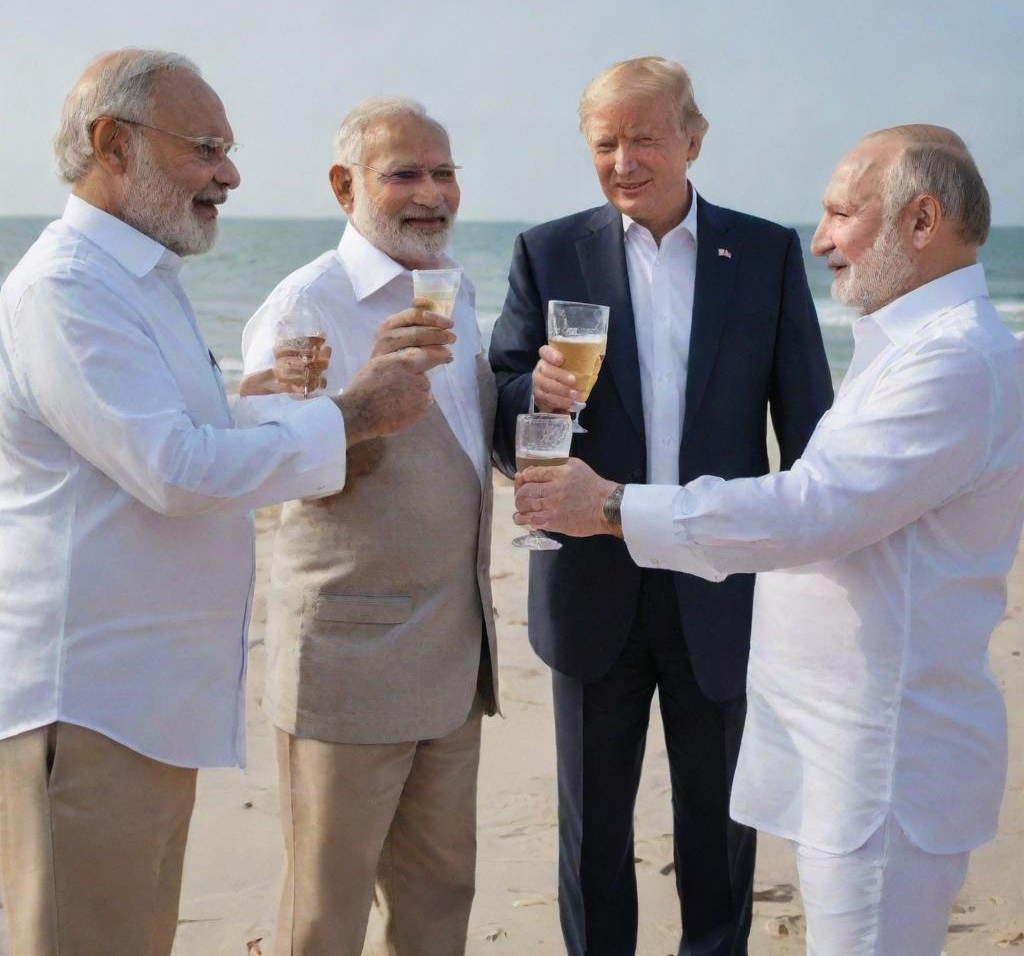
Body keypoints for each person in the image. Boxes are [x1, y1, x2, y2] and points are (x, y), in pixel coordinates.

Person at [514, 125, 1023, 955]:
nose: (820, 240)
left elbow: (810, 508)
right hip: (852, 762)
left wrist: (610, 506)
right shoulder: (909, 348)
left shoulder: (954, 362)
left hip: (884, 769)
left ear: (922, 222)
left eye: (840, 214)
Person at [0, 51, 442, 956]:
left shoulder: (137, 281)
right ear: (111, 144)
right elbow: (173, 471)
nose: (230, 175)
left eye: (227, 151)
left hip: (146, 707)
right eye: (206, 148)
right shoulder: (66, 289)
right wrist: (354, 415)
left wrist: (263, 404)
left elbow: (159, 438)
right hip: (87, 707)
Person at [488, 56, 833, 956]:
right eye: (605, 142)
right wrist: (537, 396)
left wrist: (814, 576)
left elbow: (808, 431)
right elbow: (499, 409)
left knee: (721, 829)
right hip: (591, 587)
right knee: (593, 834)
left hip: (720, 585)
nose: (625, 160)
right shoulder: (548, 250)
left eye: (644, 137)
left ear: (693, 138)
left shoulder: (765, 253)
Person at [240, 96, 499, 956]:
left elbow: (463, 452)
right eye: (405, 174)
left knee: (440, 896)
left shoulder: (452, 291)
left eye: (445, 172)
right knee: (325, 912)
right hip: (350, 658)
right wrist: (361, 404)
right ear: (345, 185)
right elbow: (268, 464)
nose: (432, 194)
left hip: (452, 653)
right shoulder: (304, 305)